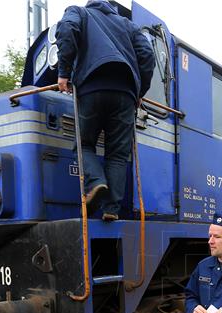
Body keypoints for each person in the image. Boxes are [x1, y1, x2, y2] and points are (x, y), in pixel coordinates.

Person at [55, 1, 155, 221]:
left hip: (92, 87)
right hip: (126, 95)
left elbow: (67, 29)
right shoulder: (128, 25)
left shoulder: (78, 13)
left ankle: (96, 182)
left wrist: (63, 72)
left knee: (84, 144)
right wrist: (140, 91)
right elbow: (147, 54)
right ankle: (111, 209)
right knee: (118, 154)